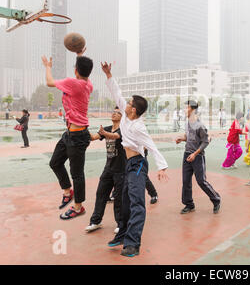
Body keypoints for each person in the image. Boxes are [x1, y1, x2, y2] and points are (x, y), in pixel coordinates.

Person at [102, 62, 169, 257]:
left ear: (134, 110)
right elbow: (117, 93)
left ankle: (132, 244)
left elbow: (152, 146)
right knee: (123, 201)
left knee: (137, 203)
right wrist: (108, 74)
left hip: (138, 164)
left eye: (130, 103)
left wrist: (162, 166)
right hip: (128, 164)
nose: (126, 103)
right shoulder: (125, 114)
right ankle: (122, 235)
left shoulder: (139, 127)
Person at [42, 51, 93, 220]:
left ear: (76, 71)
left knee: (77, 174)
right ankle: (67, 191)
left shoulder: (73, 83)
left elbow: (49, 82)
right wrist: (79, 54)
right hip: (70, 134)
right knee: (55, 162)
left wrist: (48, 67)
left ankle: (78, 207)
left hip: (78, 137)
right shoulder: (87, 84)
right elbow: (84, 72)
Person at [175, 100, 221, 215]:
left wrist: (195, 154)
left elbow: (205, 142)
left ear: (193, 110)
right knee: (186, 181)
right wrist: (182, 138)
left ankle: (216, 199)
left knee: (201, 181)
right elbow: (189, 137)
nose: (185, 110)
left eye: (187, 108)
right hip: (187, 154)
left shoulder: (200, 125)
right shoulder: (187, 123)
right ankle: (189, 204)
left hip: (197, 156)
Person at [85, 107, 126, 234]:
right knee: (101, 194)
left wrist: (104, 133)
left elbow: (115, 136)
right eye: (113, 112)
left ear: (122, 116)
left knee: (119, 198)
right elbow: (92, 137)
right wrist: (82, 127)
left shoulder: (124, 129)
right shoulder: (107, 128)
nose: (114, 114)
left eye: (117, 112)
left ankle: (121, 224)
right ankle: (96, 221)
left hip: (121, 169)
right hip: (108, 168)